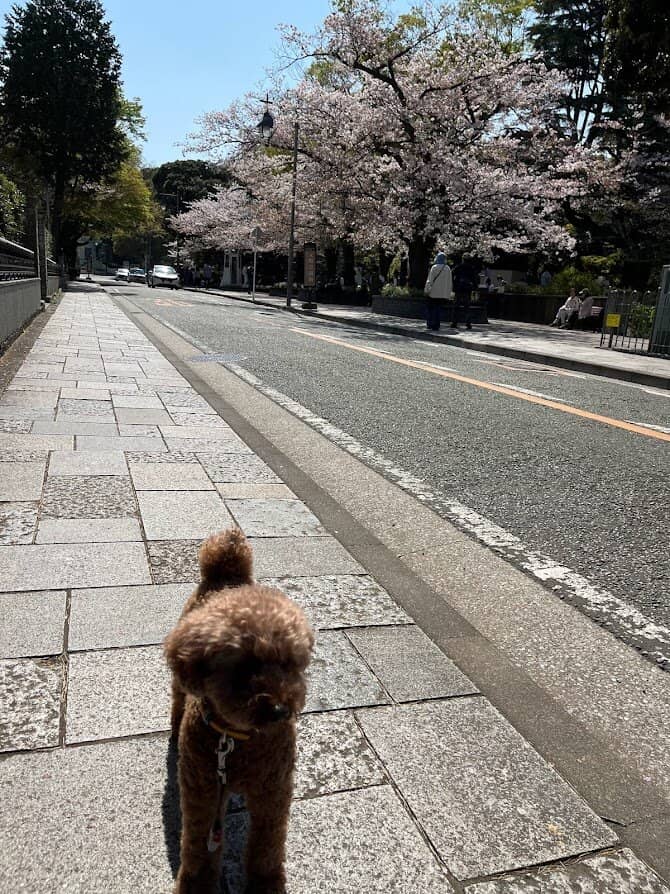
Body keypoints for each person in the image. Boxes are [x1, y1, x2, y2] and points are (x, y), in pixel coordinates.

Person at [424, 252, 452, 331]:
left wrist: (426, 290)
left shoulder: (434, 267)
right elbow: (450, 282)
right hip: (442, 293)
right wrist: (448, 293)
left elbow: (430, 280)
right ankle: (436, 325)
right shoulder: (447, 268)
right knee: (438, 309)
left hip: (433, 293)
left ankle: (430, 323)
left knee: (430, 308)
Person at [451, 254, 478, 329]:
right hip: (467, 289)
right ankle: (468, 323)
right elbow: (474, 279)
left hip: (459, 289)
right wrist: (475, 288)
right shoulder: (471, 268)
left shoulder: (459, 267)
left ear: (462, 259)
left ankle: (454, 323)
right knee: (467, 307)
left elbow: (452, 273)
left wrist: (454, 283)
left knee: (456, 306)